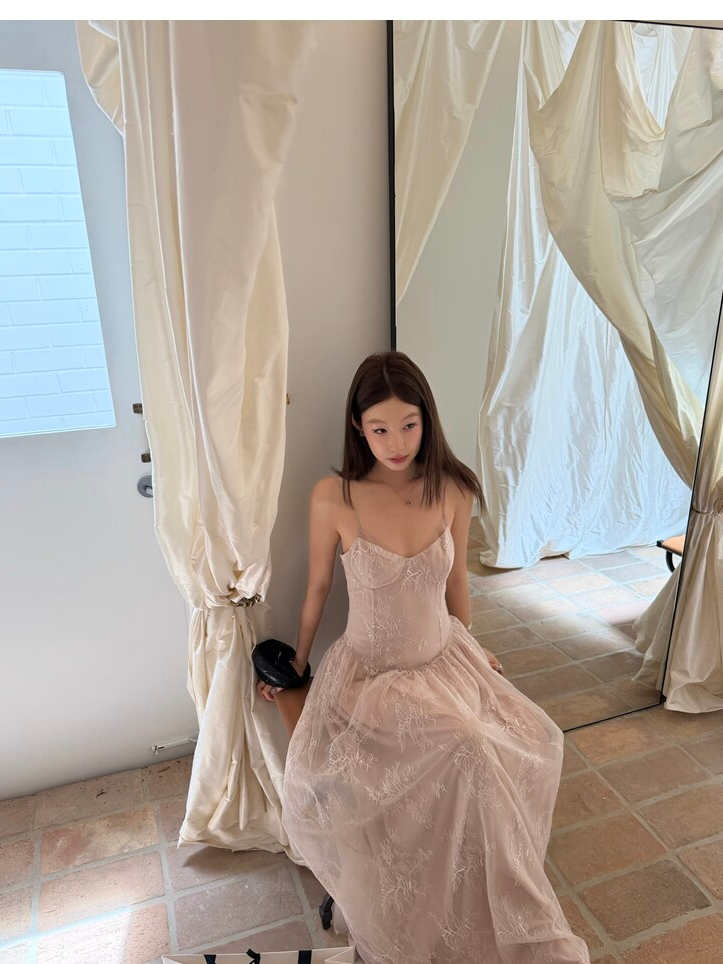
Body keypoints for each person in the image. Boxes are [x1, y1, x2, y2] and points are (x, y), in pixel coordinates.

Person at [257, 352, 590, 964]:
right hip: (371, 677)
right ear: (358, 426)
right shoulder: (335, 496)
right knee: (468, 744)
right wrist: (297, 664)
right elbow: (317, 588)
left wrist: (473, 645)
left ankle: (490, 896)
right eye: (380, 428)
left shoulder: (453, 489)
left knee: (534, 738)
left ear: (426, 419)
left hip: (443, 658)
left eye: (408, 425)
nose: (396, 442)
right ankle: (442, 909)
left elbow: (457, 583)